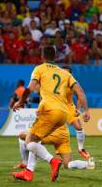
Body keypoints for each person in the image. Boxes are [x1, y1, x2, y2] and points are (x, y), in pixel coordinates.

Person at [11, 45, 89, 182]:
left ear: (42, 56)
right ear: (56, 56)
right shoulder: (66, 74)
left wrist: (20, 102)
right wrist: (86, 110)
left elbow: (29, 88)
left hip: (49, 110)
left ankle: (52, 161)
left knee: (29, 141)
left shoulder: (40, 69)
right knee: (35, 139)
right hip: (63, 114)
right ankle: (28, 172)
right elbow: (80, 92)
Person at [14, 127, 94, 171]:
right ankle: (88, 164)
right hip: (64, 135)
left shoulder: (48, 102)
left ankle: (29, 168)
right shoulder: (65, 103)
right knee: (68, 164)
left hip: (53, 132)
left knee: (23, 136)